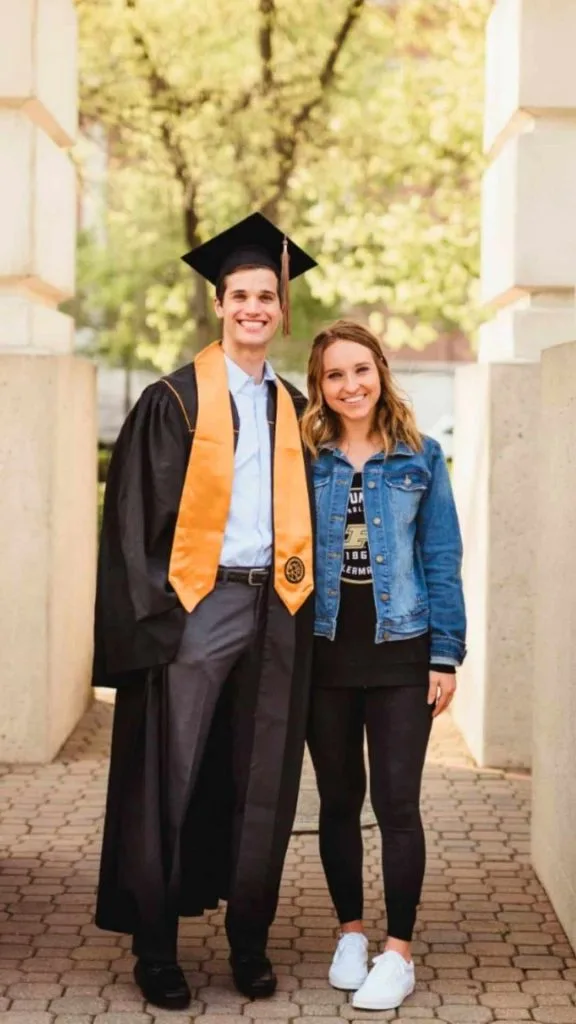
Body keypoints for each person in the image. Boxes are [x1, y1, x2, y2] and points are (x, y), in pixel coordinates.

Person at [93, 213, 317, 1009]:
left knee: (266, 781)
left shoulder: (294, 408)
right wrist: (154, 620)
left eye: (267, 296)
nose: (254, 307)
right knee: (171, 776)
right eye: (240, 295)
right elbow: (132, 526)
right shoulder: (174, 401)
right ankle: (157, 950)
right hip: (198, 604)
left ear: (281, 309)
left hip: (279, 604)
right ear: (219, 305)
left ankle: (248, 944)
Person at [300, 320, 466, 1012]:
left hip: (403, 652)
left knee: (397, 806)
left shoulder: (420, 456)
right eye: (335, 375)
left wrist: (446, 653)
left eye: (360, 370)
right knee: (338, 801)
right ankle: (350, 933)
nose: (351, 385)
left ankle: (398, 952)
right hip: (324, 654)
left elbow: (442, 556)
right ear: (320, 386)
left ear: (381, 371)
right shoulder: (304, 459)